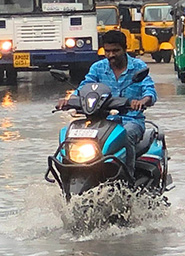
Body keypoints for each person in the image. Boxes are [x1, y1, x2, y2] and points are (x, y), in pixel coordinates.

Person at [56, 28, 156, 178]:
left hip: (130, 120)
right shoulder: (98, 67)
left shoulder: (138, 67)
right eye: (107, 51)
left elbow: (149, 91)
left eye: (115, 51)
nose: (111, 55)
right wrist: (69, 100)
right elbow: (85, 86)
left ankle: (127, 180)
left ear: (125, 49)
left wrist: (142, 101)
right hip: (101, 121)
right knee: (72, 135)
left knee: (126, 135)